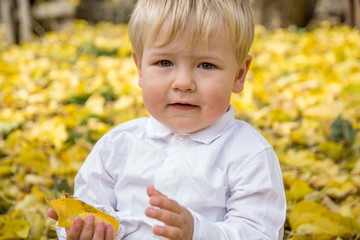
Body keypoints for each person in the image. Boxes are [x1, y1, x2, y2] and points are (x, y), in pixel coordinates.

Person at [48, 0, 287, 239]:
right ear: (140, 68)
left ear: (239, 75)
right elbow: (88, 208)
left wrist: (198, 231)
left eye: (206, 65)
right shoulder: (117, 146)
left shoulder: (249, 155)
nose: (183, 82)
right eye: (165, 63)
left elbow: (258, 232)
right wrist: (81, 229)